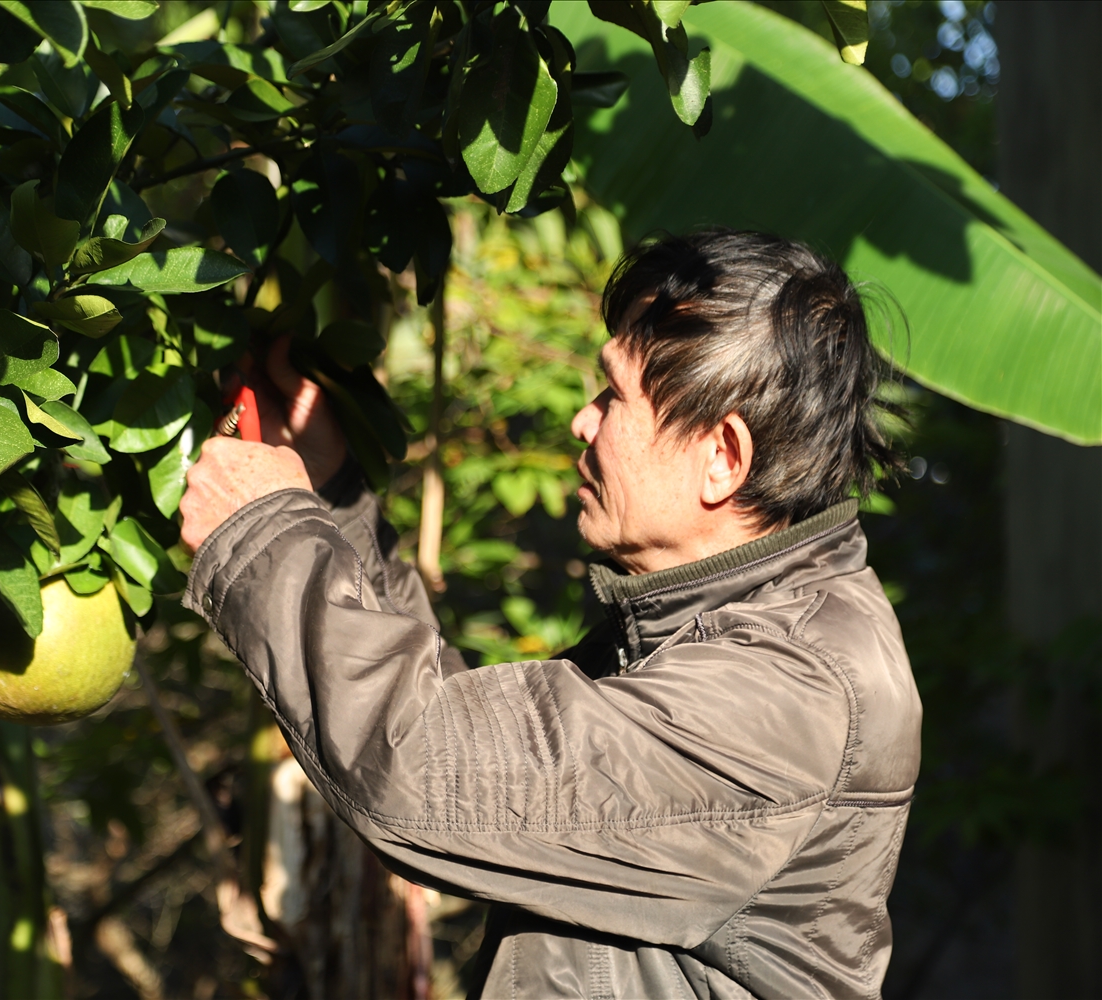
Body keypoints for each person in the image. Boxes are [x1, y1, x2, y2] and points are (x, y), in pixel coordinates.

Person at [179, 230, 921, 1000]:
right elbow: (494, 752)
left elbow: (427, 769)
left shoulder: (788, 694)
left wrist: (262, 534)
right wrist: (332, 500)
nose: (582, 421)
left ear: (722, 457)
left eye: (614, 396)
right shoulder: (726, 625)